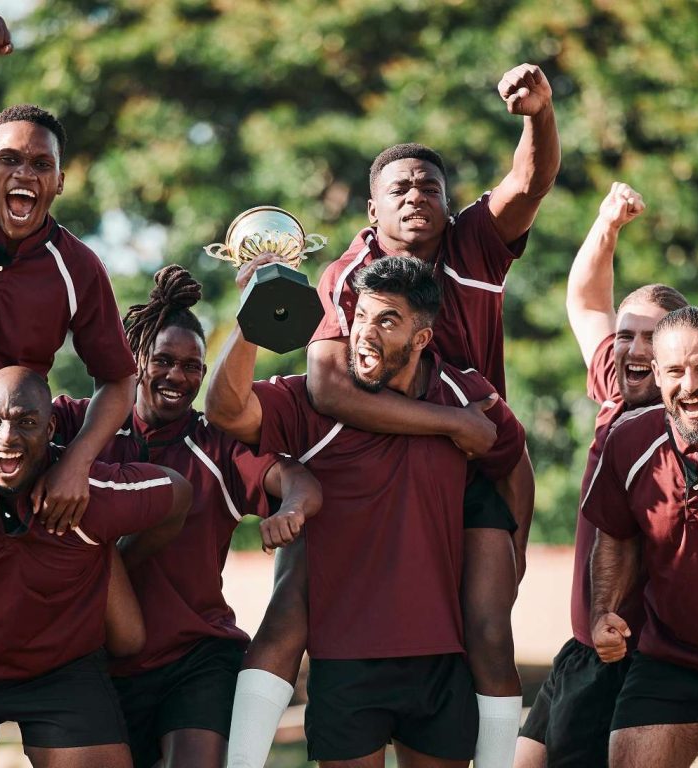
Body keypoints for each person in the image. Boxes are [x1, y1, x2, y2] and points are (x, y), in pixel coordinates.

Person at [226, 62, 559, 768]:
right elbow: (327, 391)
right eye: (398, 187)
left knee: (488, 631)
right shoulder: (348, 276)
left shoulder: (475, 243)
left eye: (430, 186)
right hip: (370, 459)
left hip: (465, 464)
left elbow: (530, 183)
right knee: (292, 608)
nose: (416, 196)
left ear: (449, 202)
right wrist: (446, 424)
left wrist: (538, 114)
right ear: (371, 211)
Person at [206, 256, 530, 768]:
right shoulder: (312, 404)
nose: (364, 333)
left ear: (422, 338)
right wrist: (252, 321)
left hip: (441, 664)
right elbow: (224, 410)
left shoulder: (467, 397)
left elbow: (513, 463)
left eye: (387, 321)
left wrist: (518, 553)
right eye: (360, 317)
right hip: (346, 664)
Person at [51, 264, 322, 768]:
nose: (178, 375)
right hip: (95, 662)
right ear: (136, 358)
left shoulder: (214, 445)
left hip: (193, 658)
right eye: (164, 360)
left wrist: (291, 509)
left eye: (193, 367)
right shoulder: (81, 423)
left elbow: (297, 481)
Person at [0, 12, 138, 536]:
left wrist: (75, 461)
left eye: (40, 164)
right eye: (9, 159)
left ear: (60, 182)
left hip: (1, 466)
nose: (24, 173)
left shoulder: (77, 266)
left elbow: (118, 380)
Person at [0, 366, 191, 768]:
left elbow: (178, 492)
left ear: (51, 427)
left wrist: (115, 563)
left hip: (60, 672)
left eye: (26, 422)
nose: (7, 437)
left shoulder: (89, 492)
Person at [514, 183, 687, 768]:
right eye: (626, 335)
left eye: (649, 337)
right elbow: (586, 302)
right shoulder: (617, 392)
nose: (630, 347)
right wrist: (607, 223)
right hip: (580, 649)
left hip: (628, 655)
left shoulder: (682, 422)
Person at [584, 306, 698, 768]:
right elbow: (616, 539)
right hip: (673, 657)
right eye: (676, 370)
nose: (691, 385)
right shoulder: (629, 441)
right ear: (656, 374)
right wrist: (602, 615)